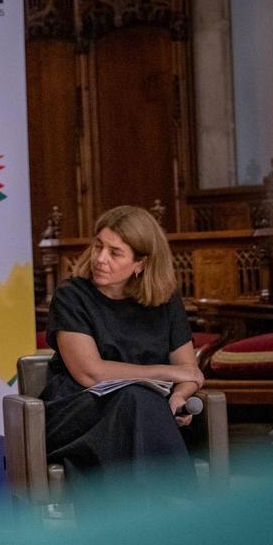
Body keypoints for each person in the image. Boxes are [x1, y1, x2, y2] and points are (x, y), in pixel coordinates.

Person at [41, 205, 204, 486]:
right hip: (81, 409)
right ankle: (175, 501)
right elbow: (90, 373)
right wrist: (168, 373)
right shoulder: (71, 296)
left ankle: (148, 507)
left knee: (142, 405)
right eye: (98, 246)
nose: (100, 258)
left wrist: (180, 396)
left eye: (115, 253)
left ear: (141, 263)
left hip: (146, 412)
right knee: (137, 400)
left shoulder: (167, 301)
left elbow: (188, 373)